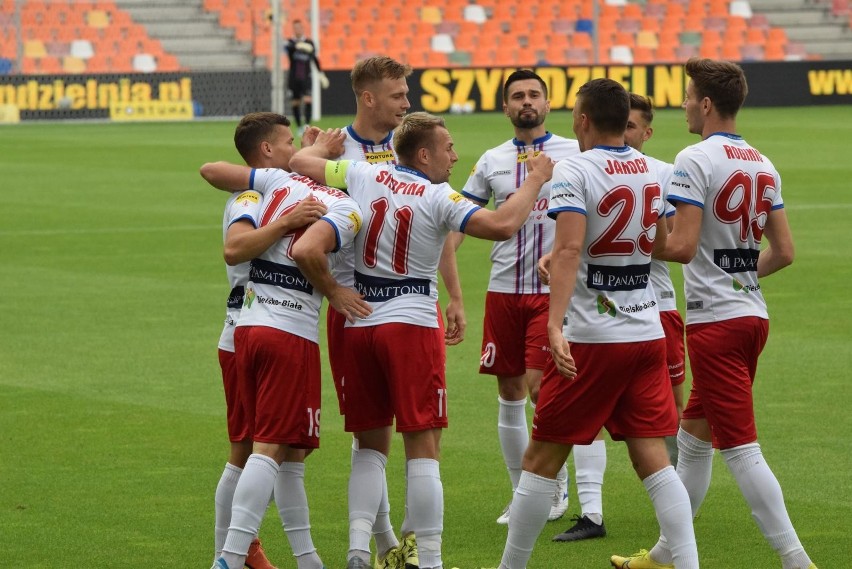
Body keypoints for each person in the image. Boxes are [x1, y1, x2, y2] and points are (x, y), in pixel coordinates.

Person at [289, 112, 555, 569]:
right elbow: (501, 225)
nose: (455, 156)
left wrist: (318, 146)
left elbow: (298, 160)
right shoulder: (439, 196)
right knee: (423, 448)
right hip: (411, 322)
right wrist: (534, 181)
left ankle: (357, 550)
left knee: (369, 446)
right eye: (448, 147)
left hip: (361, 322)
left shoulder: (362, 173)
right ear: (425, 154)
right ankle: (429, 560)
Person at [611, 58, 817, 569]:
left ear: (705, 104)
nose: (683, 106)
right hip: (751, 316)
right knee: (693, 433)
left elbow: (680, 248)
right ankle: (663, 553)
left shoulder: (694, 159)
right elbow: (785, 250)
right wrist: (739, 277)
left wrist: (630, 243)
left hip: (715, 323)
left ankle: (796, 560)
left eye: (686, 98)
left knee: (741, 447)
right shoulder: (762, 163)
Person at [497, 78, 699, 569]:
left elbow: (567, 248)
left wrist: (553, 323)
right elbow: (661, 245)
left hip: (593, 336)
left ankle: (510, 566)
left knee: (541, 459)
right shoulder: (654, 172)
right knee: (650, 453)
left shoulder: (573, 170)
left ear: (583, 119)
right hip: (646, 329)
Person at [200, 114, 370, 569]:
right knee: (257, 449)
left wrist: (306, 158)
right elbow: (237, 248)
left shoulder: (278, 184)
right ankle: (230, 555)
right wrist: (295, 218)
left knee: (288, 448)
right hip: (256, 326)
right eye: (290, 141)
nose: (299, 146)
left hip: (252, 322)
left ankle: (302, 557)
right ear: (270, 152)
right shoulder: (254, 194)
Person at [318, 55, 466, 569]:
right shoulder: (341, 152)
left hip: (400, 300)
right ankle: (391, 545)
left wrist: (455, 294)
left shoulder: (406, 150)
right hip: (356, 305)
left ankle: (383, 546)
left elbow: (439, 233)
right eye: (399, 95)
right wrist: (333, 289)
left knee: (411, 432)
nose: (408, 103)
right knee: (376, 432)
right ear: (368, 98)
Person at [456, 69, 592, 532]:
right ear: (506, 107)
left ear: (548, 103)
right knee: (510, 391)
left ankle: (552, 484)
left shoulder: (574, 153)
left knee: (540, 386)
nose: (526, 101)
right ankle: (523, 492)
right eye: (517, 96)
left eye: (534, 94)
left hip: (552, 294)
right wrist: (440, 277)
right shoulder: (491, 160)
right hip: (503, 290)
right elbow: (460, 220)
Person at [623, 93, 686, 467]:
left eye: (631, 126)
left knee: (671, 406)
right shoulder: (589, 168)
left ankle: (682, 490)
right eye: (620, 124)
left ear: (647, 132)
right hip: (604, 306)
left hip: (657, 302)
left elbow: (677, 237)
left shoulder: (665, 174)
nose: (625, 133)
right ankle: (589, 503)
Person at [285, 19, 328, 136]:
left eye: (299, 27)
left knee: (308, 100)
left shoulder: (310, 42)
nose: (297, 30)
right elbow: (289, 48)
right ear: (293, 29)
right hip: (294, 77)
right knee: (295, 103)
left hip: (306, 76)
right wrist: (301, 45)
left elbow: (314, 58)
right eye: (295, 28)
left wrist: (320, 74)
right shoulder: (290, 42)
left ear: (302, 28)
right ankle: (299, 126)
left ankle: (307, 125)